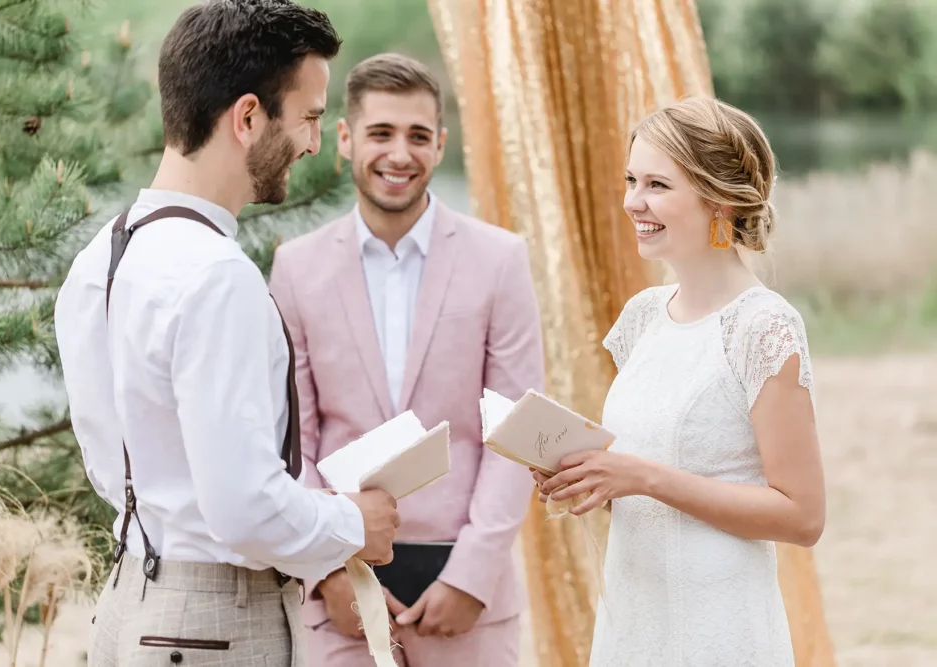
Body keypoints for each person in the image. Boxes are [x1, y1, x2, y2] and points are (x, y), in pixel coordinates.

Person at [53, 3, 400, 665]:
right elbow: (241, 510)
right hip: (213, 625)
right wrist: (356, 522)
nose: (313, 142)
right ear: (247, 118)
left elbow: (119, 470)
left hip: (129, 601)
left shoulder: (100, 257)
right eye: (308, 116)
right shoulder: (216, 275)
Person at [269, 52, 545, 667]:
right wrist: (328, 572)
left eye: (418, 136)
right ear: (344, 139)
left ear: (441, 144)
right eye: (381, 134)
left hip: (471, 603)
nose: (400, 154)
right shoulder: (296, 268)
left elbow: (517, 435)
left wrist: (471, 578)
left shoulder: (500, 261)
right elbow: (294, 440)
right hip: (341, 598)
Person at [534, 96, 826, 666]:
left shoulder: (763, 326)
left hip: (719, 625)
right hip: (635, 616)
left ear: (717, 198)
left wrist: (643, 476)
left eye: (657, 186)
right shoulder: (642, 317)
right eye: (631, 180)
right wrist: (588, 476)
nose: (632, 202)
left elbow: (802, 516)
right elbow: (647, 489)